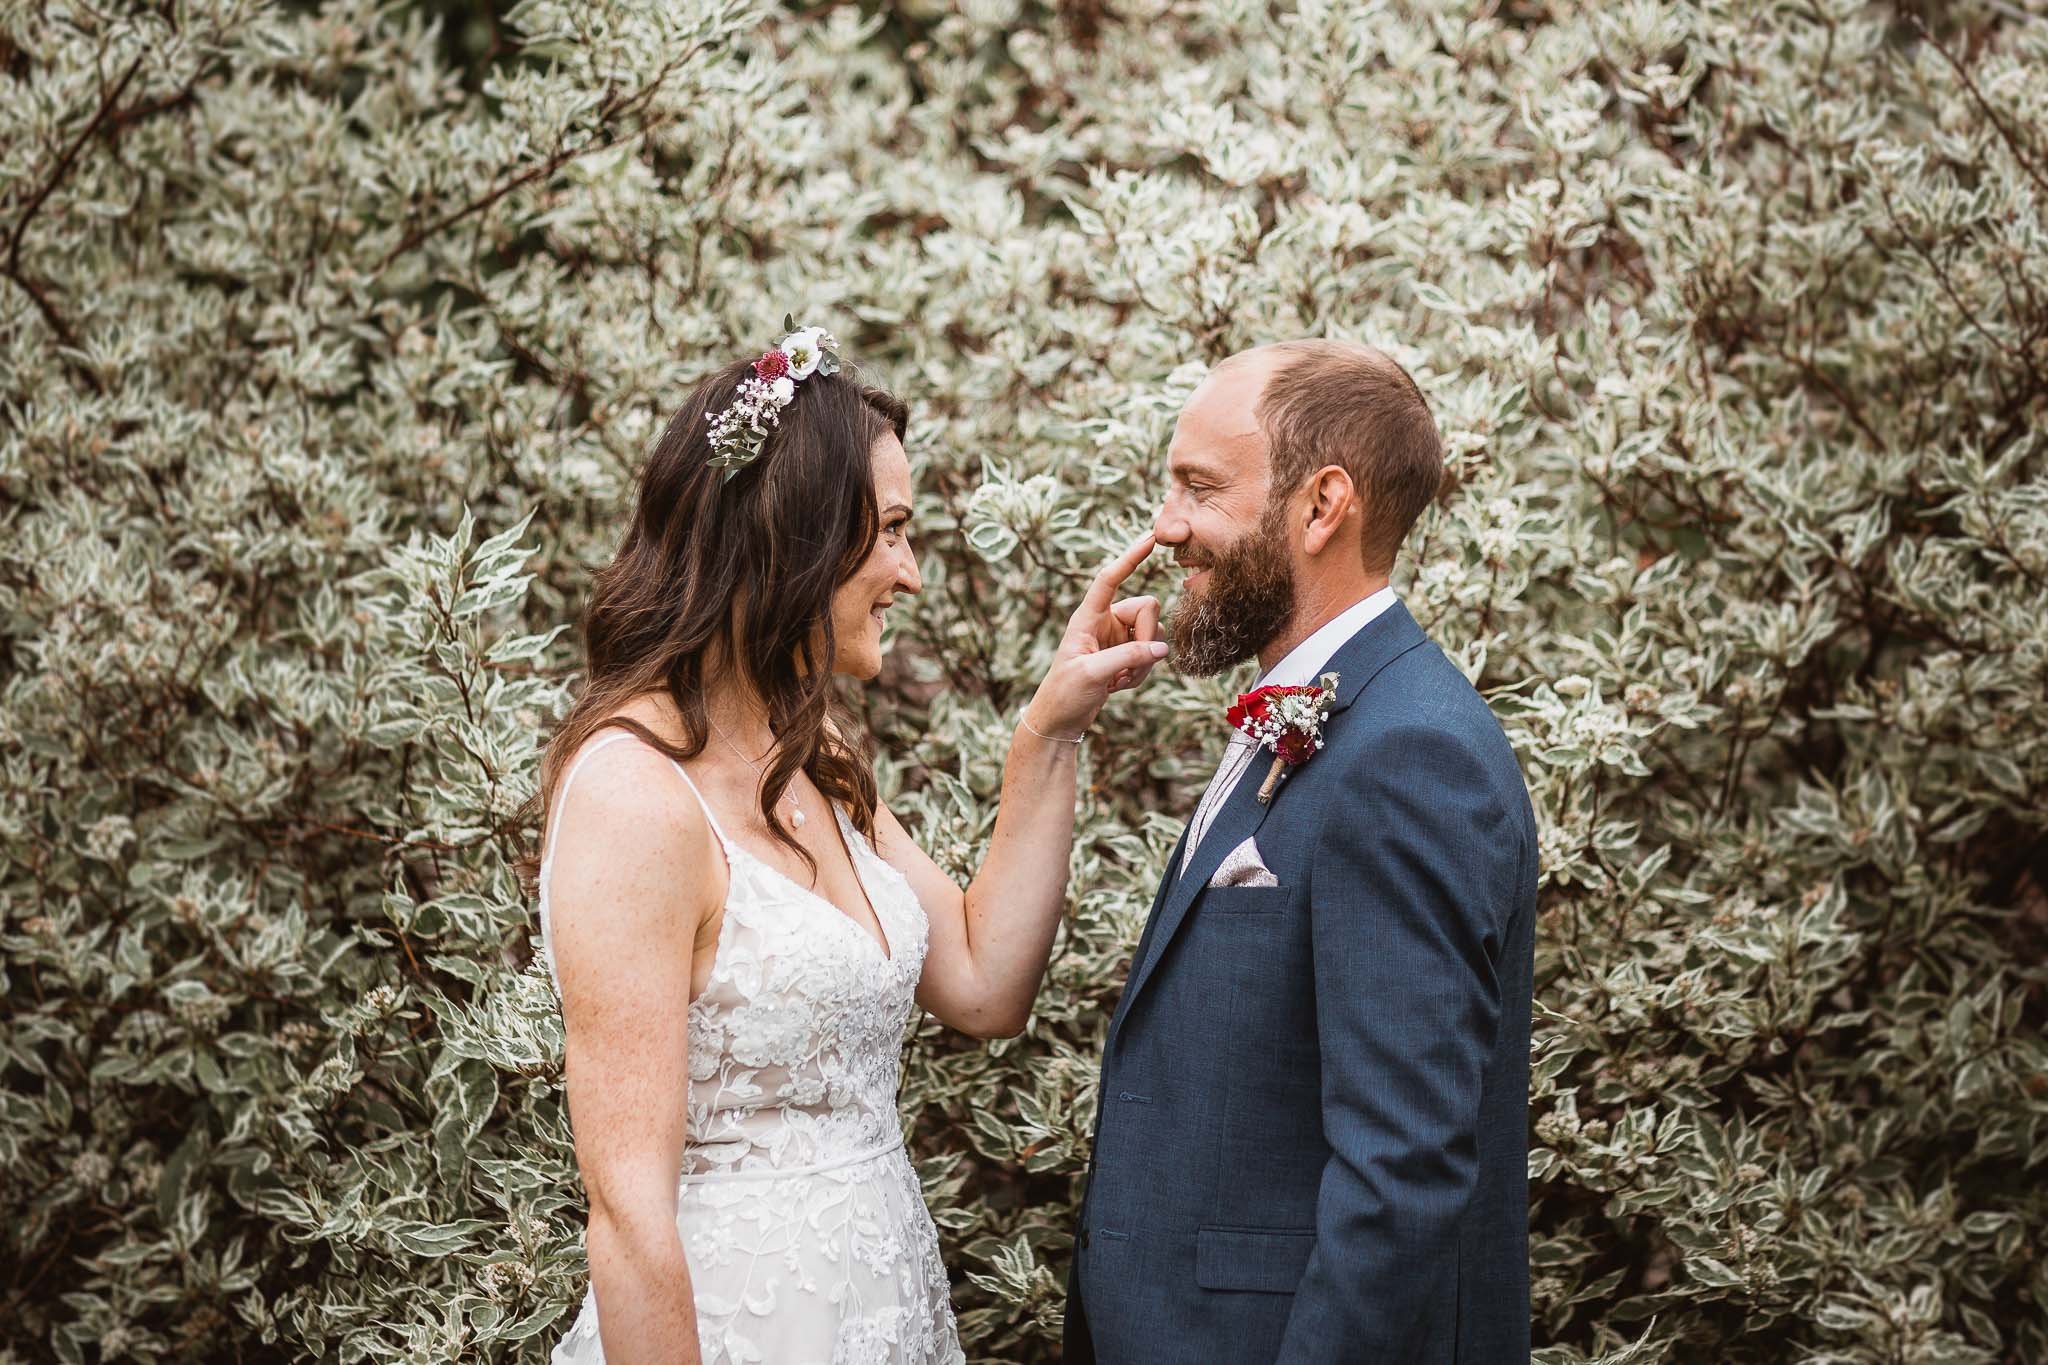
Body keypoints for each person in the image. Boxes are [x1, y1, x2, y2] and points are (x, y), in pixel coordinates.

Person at [530, 324, 1168, 1364]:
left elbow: (982, 983)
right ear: (793, 539)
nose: (910, 575)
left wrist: (1052, 728)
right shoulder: (632, 795)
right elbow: (631, 1220)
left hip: (879, 1313)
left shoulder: (806, 749)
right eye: (893, 533)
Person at [1066, 339, 1539, 1363]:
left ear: (1322, 506)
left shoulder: (1410, 752)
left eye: (1198, 487)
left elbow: (1400, 1171)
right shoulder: (1312, 713)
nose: (1167, 527)